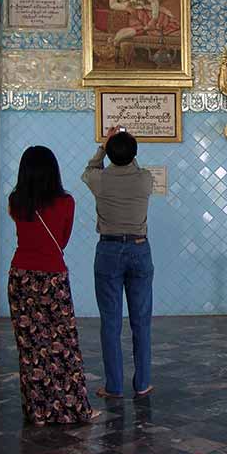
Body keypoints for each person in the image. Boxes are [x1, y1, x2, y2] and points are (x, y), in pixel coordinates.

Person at [8, 146, 96, 425]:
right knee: (63, 345)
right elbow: (62, 238)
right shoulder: (66, 202)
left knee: (30, 346)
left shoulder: (15, 201)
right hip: (52, 277)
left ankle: (38, 412)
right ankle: (72, 409)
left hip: (20, 276)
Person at [82, 127, 155, 398]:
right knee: (141, 321)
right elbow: (132, 163)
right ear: (134, 154)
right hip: (139, 249)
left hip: (108, 251)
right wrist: (125, 144)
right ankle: (143, 383)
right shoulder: (145, 179)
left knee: (110, 321)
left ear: (109, 155)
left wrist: (105, 144)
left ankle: (114, 386)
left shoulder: (98, 179)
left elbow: (90, 167)